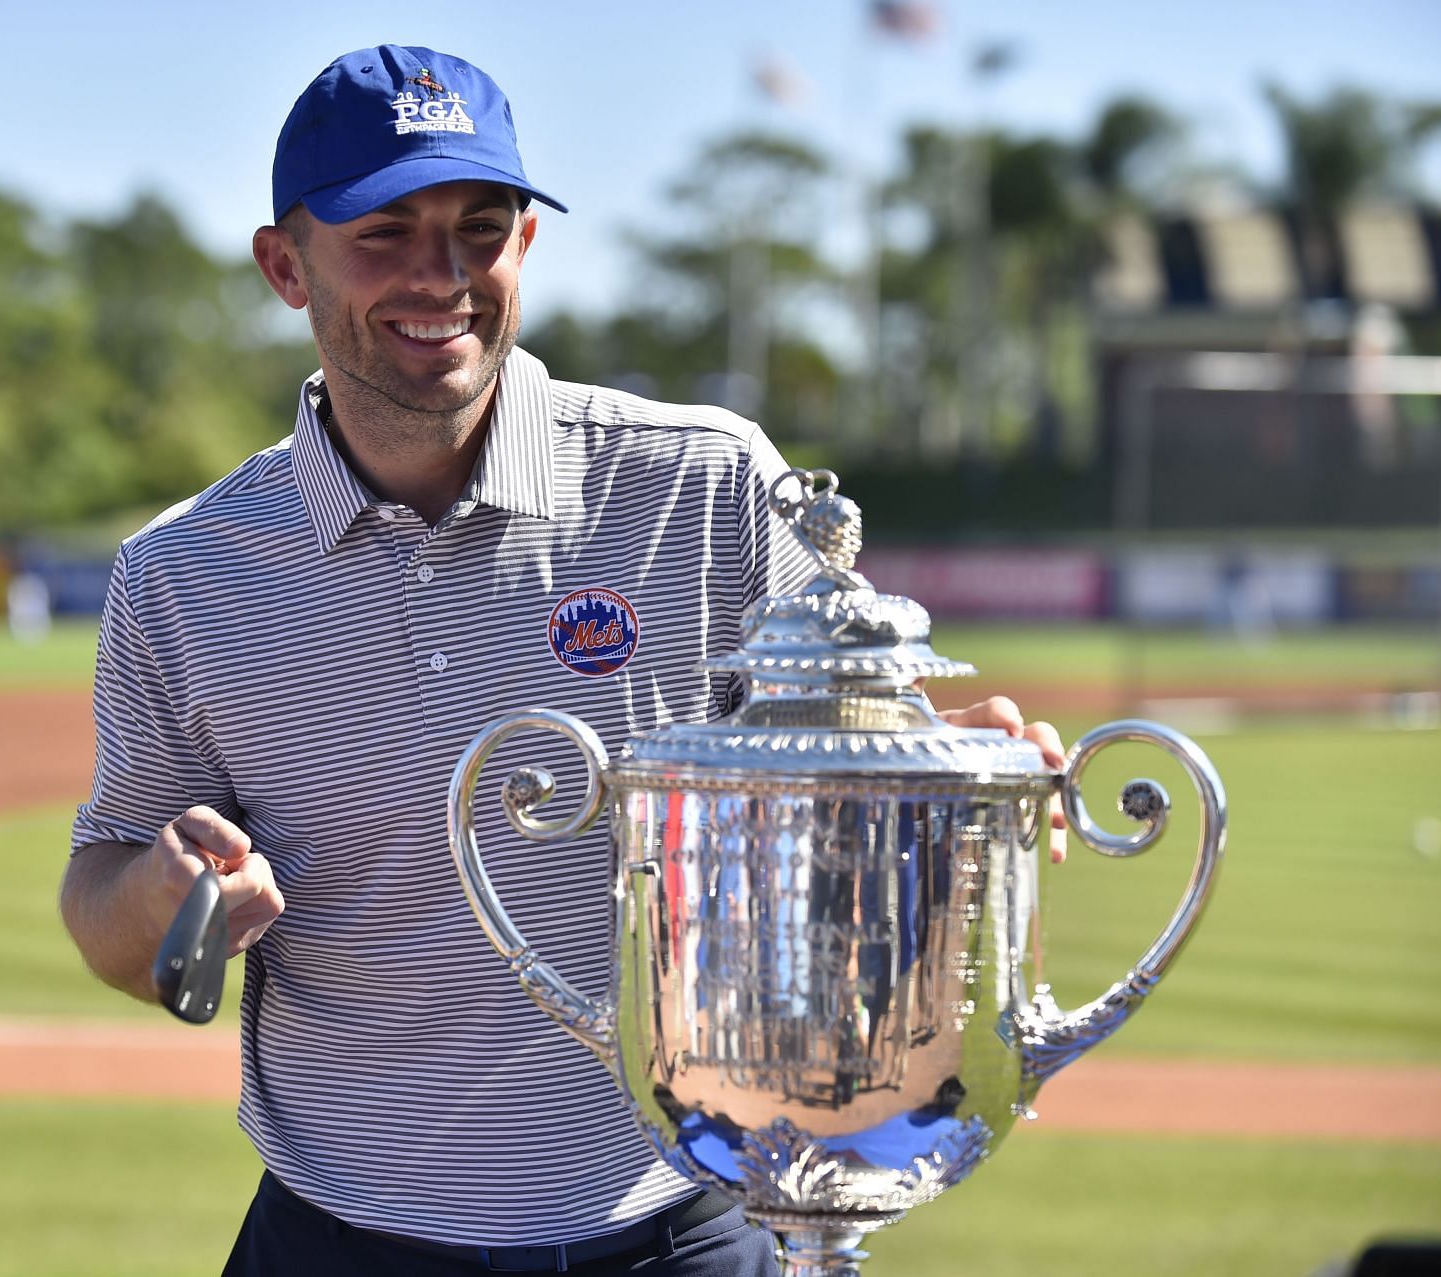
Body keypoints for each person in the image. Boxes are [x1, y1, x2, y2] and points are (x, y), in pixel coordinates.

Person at [59, 44, 1064, 1277]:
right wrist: (155, 904)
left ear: (524, 246)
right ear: (285, 264)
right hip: (342, 1242)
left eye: (480, 229)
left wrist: (967, 789)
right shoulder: (183, 571)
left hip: (688, 1229)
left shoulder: (710, 482)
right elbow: (103, 894)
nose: (442, 277)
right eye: (385, 232)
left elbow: (864, 777)